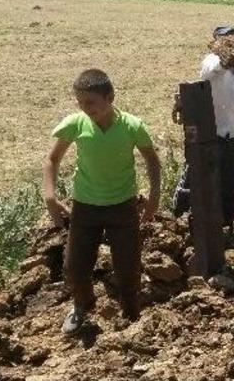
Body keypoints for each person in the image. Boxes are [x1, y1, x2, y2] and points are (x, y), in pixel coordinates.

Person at [42, 69, 161, 335]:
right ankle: (83, 305)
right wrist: (50, 196)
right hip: (85, 208)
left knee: (128, 268)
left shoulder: (132, 126)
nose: (85, 108)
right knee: (74, 268)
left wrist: (153, 197)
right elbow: (51, 160)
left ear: (110, 97)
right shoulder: (76, 124)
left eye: (91, 103)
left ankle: (131, 315)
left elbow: (152, 160)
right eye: (80, 102)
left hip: (123, 207)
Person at [172, 25, 234, 233]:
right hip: (208, 134)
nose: (233, 44)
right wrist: (226, 57)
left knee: (229, 181)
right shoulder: (211, 60)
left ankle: (225, 226)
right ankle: (181, 220)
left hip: (230, 133)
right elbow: (212, 70)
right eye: (227, 40)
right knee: (195, 179)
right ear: (217, 42)